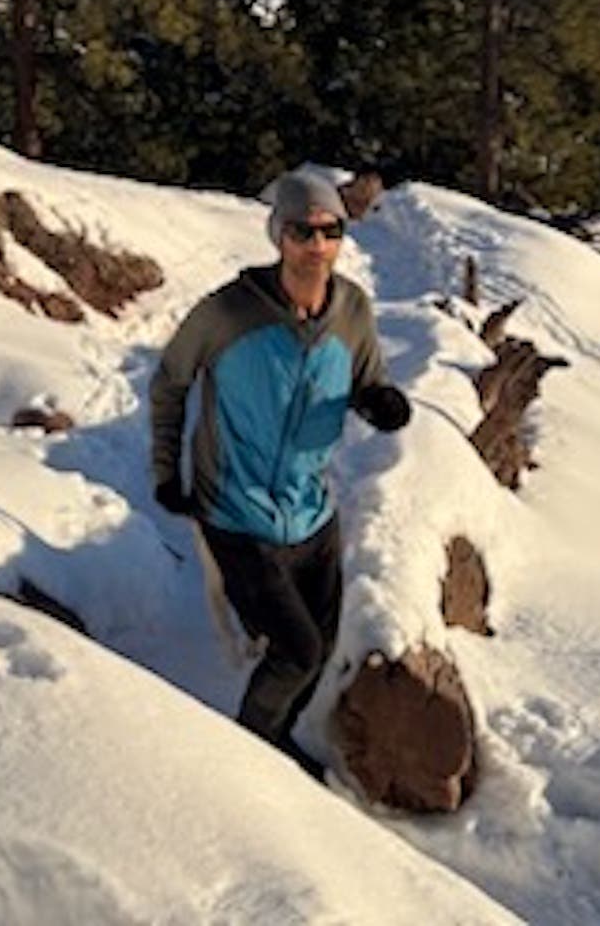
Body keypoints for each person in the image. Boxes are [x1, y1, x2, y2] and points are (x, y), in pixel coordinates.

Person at [149, 171, 412, 776]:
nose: (317, 245)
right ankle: (251, 769)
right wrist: (168, 471)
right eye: (302, 232)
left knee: (316, 651)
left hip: (312, 511)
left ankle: (278, 740)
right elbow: (171, 382)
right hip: (235, 511)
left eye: (331, 231)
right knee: (296, 651)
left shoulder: (351, 310)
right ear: (279, 236)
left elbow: (369, 380)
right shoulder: (228, 312)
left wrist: (379, 403)